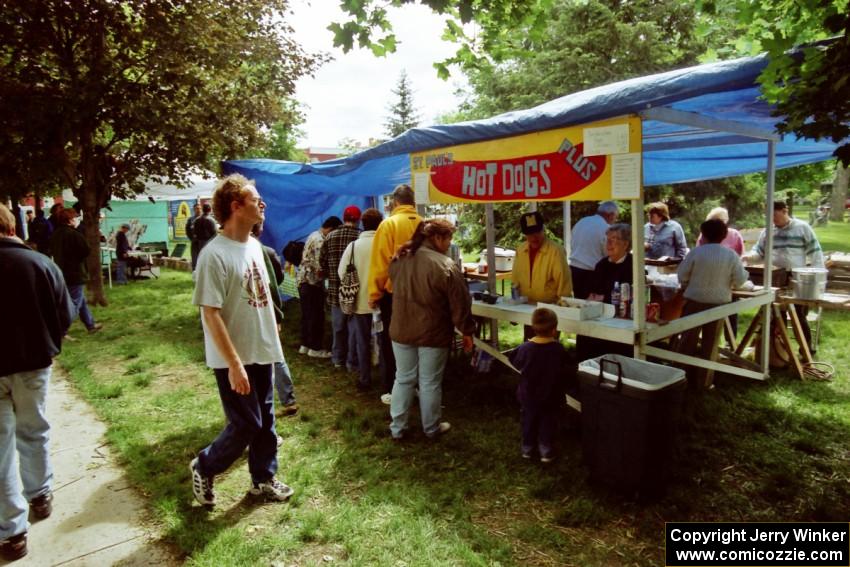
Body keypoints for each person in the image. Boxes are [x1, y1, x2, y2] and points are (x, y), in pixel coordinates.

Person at [190, 174, 294, 506]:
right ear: (236, 206)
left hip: (262, 348)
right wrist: (234, 364)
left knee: (266, 419)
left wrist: (273, 326)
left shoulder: (254, 247)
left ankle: (263, 478)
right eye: (255, 200)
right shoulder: (214, 254)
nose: (262, 205)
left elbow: (261, 296)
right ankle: (205, 465)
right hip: (233, 357)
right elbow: (210, 313)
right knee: (247, 423)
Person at [0, 203, 74, 561]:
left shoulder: (39, 262)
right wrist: (51, 345)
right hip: (32, 364)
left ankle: (12, 531)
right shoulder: (40, 264)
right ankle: (40, 494)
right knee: (34, 430)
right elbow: (64, 313)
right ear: (11, 225)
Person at [387, 219, 475, 440]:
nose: (449, 244)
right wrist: (467, 331)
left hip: (401, 329)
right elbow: (460, 303)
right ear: (437, 238)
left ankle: (397, 428)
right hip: (432, 332)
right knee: (429, 382)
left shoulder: (399, 259)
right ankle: (431, 428)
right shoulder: (444, 264)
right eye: (448, 239)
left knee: (403, 378)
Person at [744, 200, 825, 353]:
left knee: (798, 315)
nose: (771, 219)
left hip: (797, 277)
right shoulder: (768, 231)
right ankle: (774, 349)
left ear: (784, 211)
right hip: (775, 277)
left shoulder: (802, 228)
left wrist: (818, 279)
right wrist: (748, 257)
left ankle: (806, 349)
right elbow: (759, 253)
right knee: (775, 314)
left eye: (774, 215)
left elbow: (815, 252)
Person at [368, 184, 422, 404]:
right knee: (419, 340)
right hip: (422, 292)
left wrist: (374, 293)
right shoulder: (424, 224)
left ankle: (394, 388)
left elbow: (381, 264)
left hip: (395, 294)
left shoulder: (388, 224)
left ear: (395, 202)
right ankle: (417, 385)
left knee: (393, 341)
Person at [678, 219, 748, 387]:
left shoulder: (696, 252)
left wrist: (690, 283)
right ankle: (704, 380)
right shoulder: (730, 255)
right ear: (724, 235)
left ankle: (679, 377)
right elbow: (740, 280)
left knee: (686, 341)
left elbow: (682, 275)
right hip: (718, 304)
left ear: (703, 234)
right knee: (710, 344)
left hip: (694, 301)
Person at [507, 308, 570, 463]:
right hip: (551, 395)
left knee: (528, 420)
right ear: (555, 330)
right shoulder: (558, 349)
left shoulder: (525, 348)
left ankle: (527, 449)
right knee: (548, 422)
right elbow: (567, 368)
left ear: (533, 327)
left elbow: (513, 359)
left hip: (528, 394)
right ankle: (545, 450)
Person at [251, 223, 298, 417]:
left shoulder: (262, 251)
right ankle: (288, 399)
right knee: (275, 355)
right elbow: (277, 279)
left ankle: (260, 405)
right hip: (268, 309)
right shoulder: (268, 251)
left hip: (257, 310)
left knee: (261, 359)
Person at [338, 208, 383, 391]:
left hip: (359, 302)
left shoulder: (354, 246)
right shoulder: (383, 244)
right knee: (383, 341)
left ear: (362, 224)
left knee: (362, 342)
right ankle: (387, 380)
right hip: (381, 301)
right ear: (380, 224)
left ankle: (365, 379)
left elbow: (342, 272)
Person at [577, 223, 634, 361]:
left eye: (614, 239)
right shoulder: (601, 264)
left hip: (622, 319)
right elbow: (590, 293)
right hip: (598, 315)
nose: (608, 243)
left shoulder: (633, 265)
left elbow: (627, 295)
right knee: (584, 334)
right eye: (607, 239)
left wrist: (604, 297)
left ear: (625, 244)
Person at [512, 211, 572, 340]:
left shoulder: (556, 251)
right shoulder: (520, 250)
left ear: (543, 229)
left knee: (549, 351)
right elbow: (515, 279)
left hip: (549, 312)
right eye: (530, 233)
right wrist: (515, 308)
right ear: (524, 234)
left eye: (537, 232)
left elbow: (564, 283)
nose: (534, 237)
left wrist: (563, 311)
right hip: (528, 309)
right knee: (530, 346)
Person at [320, 206, 361, 370]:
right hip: (355, 291)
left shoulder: (330, 236)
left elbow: (321, 262)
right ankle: (352, 361)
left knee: (338, 328)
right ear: (358, 219)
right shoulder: (359, 236)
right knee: (353, 329)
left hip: (335, 290)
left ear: (343, 218)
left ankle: (337, 359)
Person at [49, 208, 103, 334]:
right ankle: (60, 331)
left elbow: (51, 249)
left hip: (60, 271)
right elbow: (85, 250)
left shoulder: (55, 234)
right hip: (75, 273)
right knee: (74, 304)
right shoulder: (74, 234)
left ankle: (90, 325)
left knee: (81, 300)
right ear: (69, 220)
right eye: (74, 217)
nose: (76, 219)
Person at [297, 216, 341, 358]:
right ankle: (315, 348)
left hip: (303, 280)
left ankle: (305, 344)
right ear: (331, 229)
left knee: (307, 315)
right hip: (312, 283)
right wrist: (331, 274)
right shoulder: (320, 241)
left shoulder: (313, 235)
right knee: (316, 316)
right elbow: (319, 267)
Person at [569, 201, 618, 299]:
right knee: (592, 308)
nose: (615, 220)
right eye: (616, 217)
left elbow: (572, 242)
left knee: (579, 304)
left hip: (574, 270)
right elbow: (608, 254)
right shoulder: (606, 228)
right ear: (611, 215)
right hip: (592, 273)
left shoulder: (582, 221)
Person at [191, 203, 218, 269]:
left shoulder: (196, 220)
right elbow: (215, 233)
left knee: (197, 261)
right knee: (206, 262)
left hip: (197, 242)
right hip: (207, 243)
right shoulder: (211, 220)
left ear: (202, 210)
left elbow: (193, 231)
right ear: (210, 210)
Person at [186, 203, 203, 269]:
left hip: (203, 243)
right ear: (194, 210)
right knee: (195, 258)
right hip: (195, 242)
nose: (198, 210)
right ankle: (195, 274)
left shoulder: (205, 218)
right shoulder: (191, 219)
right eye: (197, 209)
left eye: (199, 208)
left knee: (203, 258)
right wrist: (192, 239)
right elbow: (187, 231)